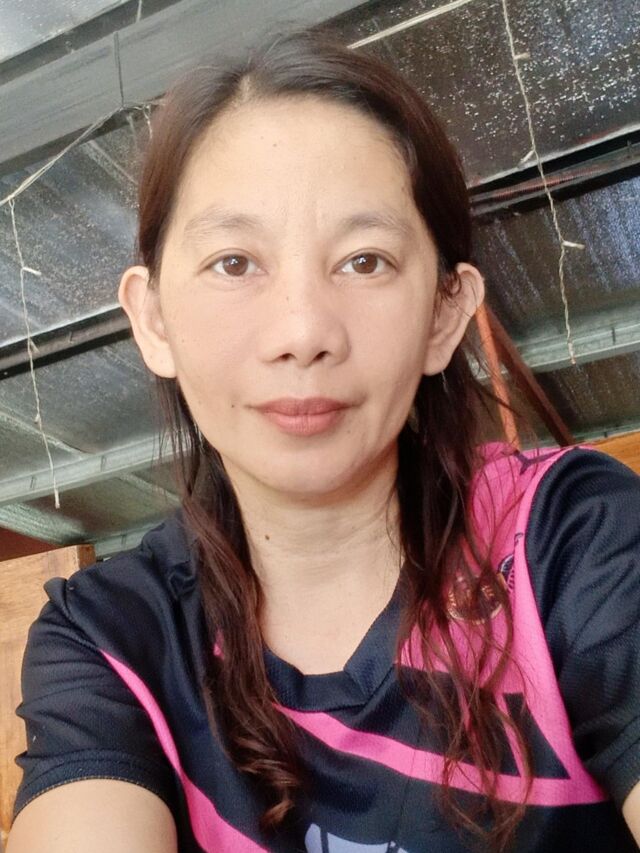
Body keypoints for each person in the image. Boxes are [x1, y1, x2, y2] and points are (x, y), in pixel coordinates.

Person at [6, 28, 640, 853]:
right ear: (154, 318)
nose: (303, 332)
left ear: (444, 312)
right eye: (234, 262)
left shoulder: (574, 541)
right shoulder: (112, 633)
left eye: (365, 260)